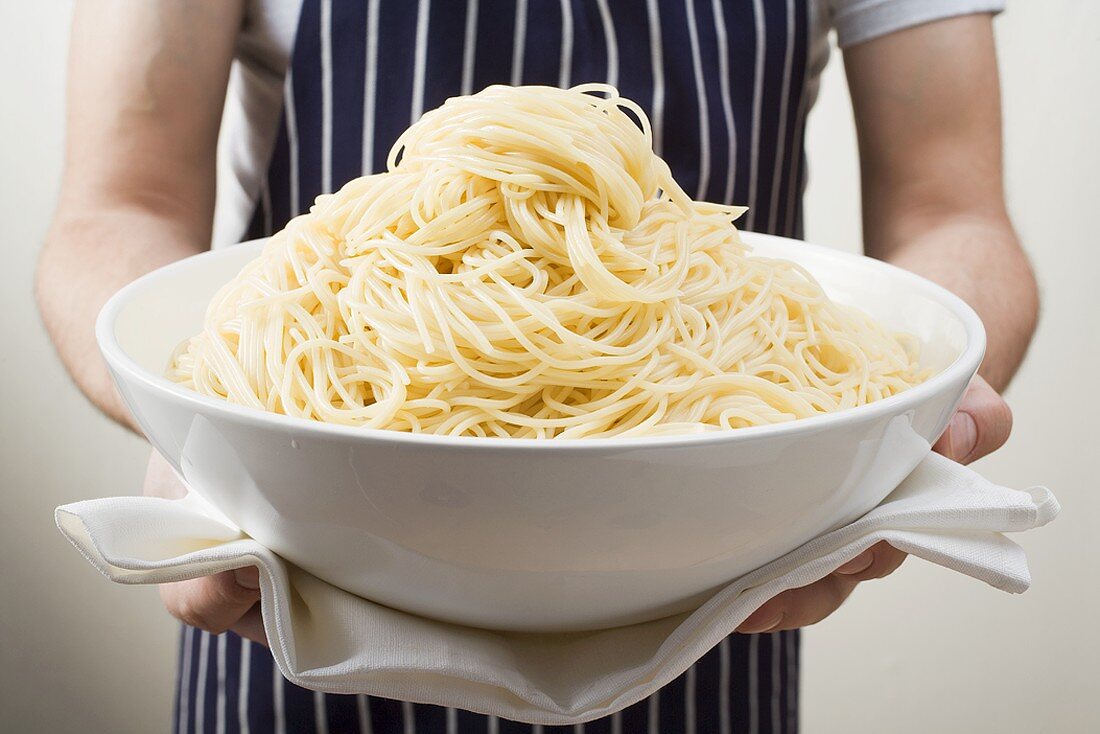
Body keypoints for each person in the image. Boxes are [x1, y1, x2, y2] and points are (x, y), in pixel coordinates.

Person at [37, 1, 1035, 732]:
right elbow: (116, 210)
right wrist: (202, 434)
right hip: (302, 579)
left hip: (712, 587)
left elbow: (950, 211)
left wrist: (912, 412)